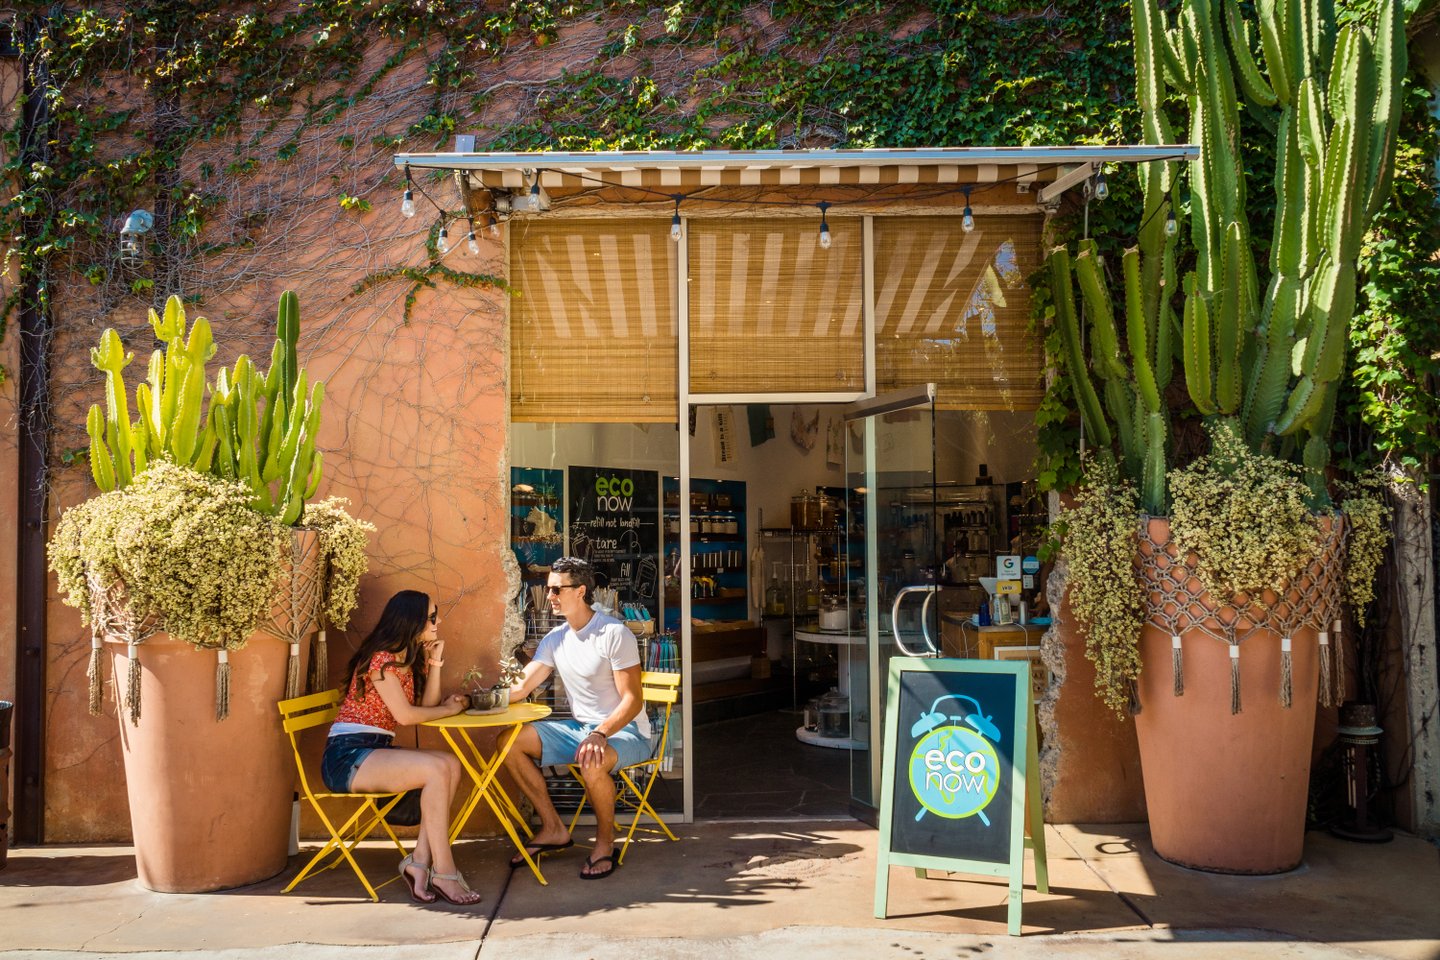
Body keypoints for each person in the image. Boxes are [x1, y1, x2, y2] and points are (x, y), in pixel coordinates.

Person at [319, 589, 481, 905]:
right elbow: (407, 716)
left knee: (450, 763)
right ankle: (444, 871)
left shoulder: (406, 657)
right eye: (432, 617)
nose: (437, 621)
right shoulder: (381, 660)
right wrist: (450, 710)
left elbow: (428, 705)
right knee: (436, 770)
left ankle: (418, 863)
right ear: (412, 620)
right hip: (348, 755)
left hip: (375, 749)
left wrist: (434, 661)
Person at [504, 557, 652, 880]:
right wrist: (479, 697)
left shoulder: (614, 633)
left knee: (591, 759)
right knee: (509, 742)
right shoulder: (555, 639)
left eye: (557, 589)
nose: (550, 595)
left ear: (581, 590)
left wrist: (599, 733)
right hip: (581, 730)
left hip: (626, 732)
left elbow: (632, 700)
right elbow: (522, 686)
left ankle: (603, 843)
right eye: (548, 589)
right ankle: (553, 827)